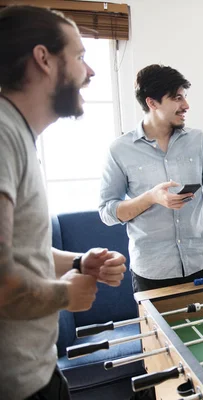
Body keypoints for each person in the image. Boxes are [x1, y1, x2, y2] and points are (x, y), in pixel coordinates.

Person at [0, 5, 127, 399]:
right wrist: (65, 294)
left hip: (38, 373)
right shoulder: (3, 134)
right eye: (80, 56)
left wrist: (76, 262)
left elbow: (23, 250)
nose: (89, 72)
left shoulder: (18, 135)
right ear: (43, 59)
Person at [99, 64, 203, 292]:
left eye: (184, 97)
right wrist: (150, 198)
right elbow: (107, 212)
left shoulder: (198, 141)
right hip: (152, 274)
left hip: (200, 265)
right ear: (152, 102)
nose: (186, 105)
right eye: (177, 98)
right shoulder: (119, 150)